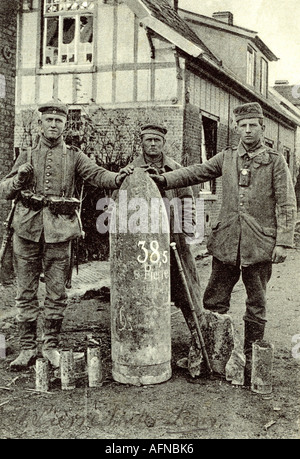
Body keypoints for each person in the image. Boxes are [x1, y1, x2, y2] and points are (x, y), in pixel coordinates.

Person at [150, 103, 297, 385]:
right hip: (227, 242)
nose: (248, 130)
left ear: (262, 128)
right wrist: (164, 179)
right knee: (214, 299)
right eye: (242, 125)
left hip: (259, 245)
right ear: (237, 128)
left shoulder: (276, 162)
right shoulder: (227, 157)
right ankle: (211, 355)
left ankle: (252, 359)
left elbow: (286, 204)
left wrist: (283, 243)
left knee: (257, 303)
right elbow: (197, 172)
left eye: (253, 125)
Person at [0, 100, 133, 371]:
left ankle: (50, 346)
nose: (53, 125)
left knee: (57, 292)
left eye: (58, 121)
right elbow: (5, 190)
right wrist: (17, 180)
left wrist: (119, 177)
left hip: (60, 231)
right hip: (26, 230)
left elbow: (97, 175)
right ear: (40, 124)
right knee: (25, 292)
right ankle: (26, 348)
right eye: (48, 120)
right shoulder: (26, 154)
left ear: (64, 125)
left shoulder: (74, 156)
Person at [127, 124, 205, 364]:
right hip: (144, 245)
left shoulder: (175, 169)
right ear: (142, 143)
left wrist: (187, 230)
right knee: (145, 290)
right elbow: (120, 204)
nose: (152, 144)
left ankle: (199, 337)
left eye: (157, 141)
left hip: (174, 240)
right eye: (148, 140)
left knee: (186, 289)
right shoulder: (131, 171)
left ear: (163, 143)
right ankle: (143, 340)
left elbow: (187, 200)